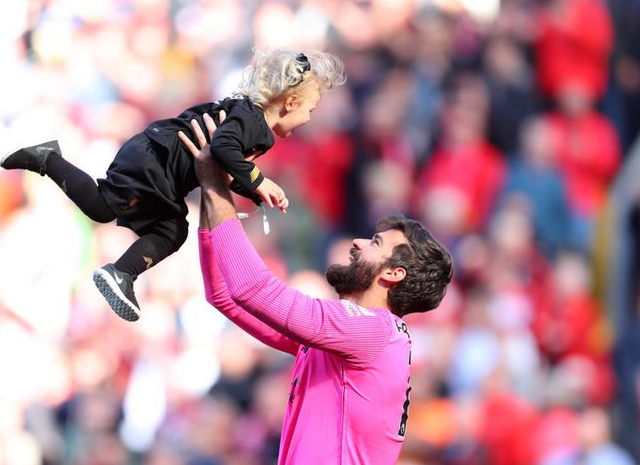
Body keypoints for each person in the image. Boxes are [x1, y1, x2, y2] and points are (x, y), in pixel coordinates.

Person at [0, 48, 346, 321]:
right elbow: (223, 149)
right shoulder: (252, 122)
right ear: (291, 103)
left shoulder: (256, 129)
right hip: (156, 159)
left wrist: (252, 188)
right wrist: (258, 179)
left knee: (157, 226)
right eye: (311, 110)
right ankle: (49, 162)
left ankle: (122, 272)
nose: (310, 119)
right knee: (120, 213)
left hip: (159, 165)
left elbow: (223, 163)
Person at [183, 114, 453, 464]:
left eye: (374, 242)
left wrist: (218, 186)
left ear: (394, 274)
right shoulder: (352, 340)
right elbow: (226, 295)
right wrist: (210, 189)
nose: (356, 243)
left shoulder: (371, 330)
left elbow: (251, 289)